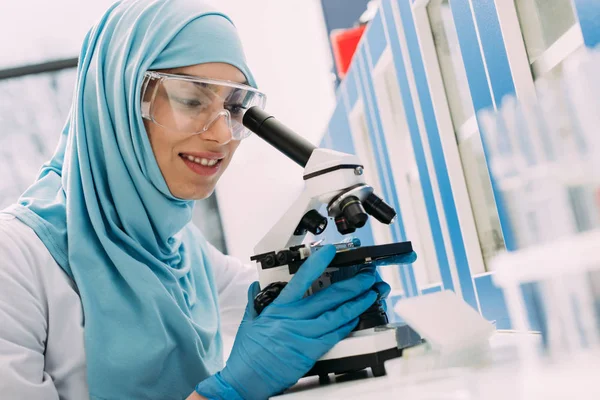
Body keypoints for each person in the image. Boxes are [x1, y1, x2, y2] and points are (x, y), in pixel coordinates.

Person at [0, 0, 390, 399]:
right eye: (190, 100)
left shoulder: (184, 253)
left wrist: (339, 298)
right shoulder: (14, 260)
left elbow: (283, 317)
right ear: (118, 103)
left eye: (236, 107)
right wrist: (226, 391)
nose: (222, 135)